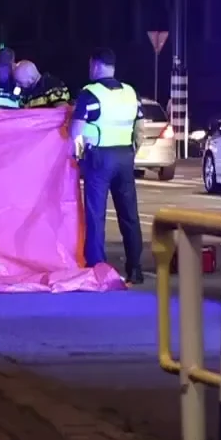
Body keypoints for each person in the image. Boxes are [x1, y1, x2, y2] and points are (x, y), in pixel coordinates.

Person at [72, 47, 144, 284]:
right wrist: (132, 150)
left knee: (96, 215)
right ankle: (135, 268)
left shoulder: (90, 94)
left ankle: (97, 268)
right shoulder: (130, 92)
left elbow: (75, 130)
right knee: (129, 215)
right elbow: (140, 129)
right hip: (125, 157)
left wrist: (78, 149)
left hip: (99, 158)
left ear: (95, 65)